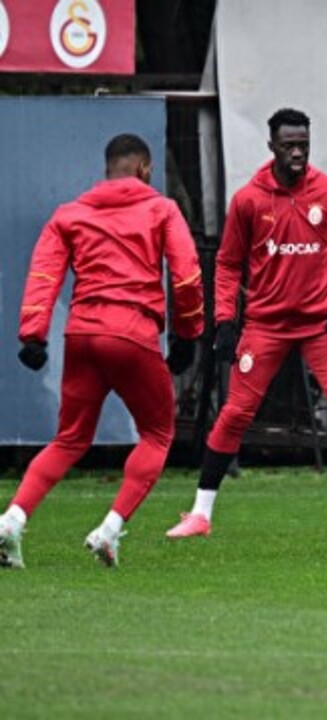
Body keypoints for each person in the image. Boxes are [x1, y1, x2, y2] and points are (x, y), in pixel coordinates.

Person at [166, 108, 327, 539]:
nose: (297, 152)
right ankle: (200, 513)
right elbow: (227, 264)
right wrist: (225, 321)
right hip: (266, 325)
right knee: (236, 413)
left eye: (304, 144)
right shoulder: (248, 199)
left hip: (320, 324)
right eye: (289, 145)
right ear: (272, 146)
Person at [0, 134, 204, 568]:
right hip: (131, 333)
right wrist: (189, 334)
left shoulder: (70, 213)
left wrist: (33, 335)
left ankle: (11, 521)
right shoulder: (161, 209)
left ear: (106, 168)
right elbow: (186, 276)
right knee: (158, 434)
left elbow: (43, 272)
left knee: (70, 439)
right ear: (145, 170)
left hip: (82, 335)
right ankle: (109, 530)